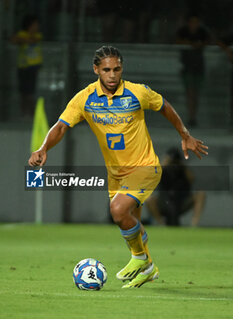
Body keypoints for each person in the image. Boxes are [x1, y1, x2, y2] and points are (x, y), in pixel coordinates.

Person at [28, 46, 208, 288]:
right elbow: (60, 126)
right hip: (116, 174)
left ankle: (139, 258)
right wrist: (43, 148)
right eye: (106, 70)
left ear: (122, 68)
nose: (112, 75)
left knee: (118, 210)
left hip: (145, 167)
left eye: (117, 69)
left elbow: (164, 105)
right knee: (127, 219)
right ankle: (149, 268)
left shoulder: (137, 92)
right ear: (96, 70)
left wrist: (185, 135)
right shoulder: (84, 99)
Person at [146, 147, 206, 226]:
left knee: (201, 194)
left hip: (181, 202)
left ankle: (194, 224)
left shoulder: (182, 169)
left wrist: (182, 165)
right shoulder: (163, 170)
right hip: (164, 202)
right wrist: (164, 164)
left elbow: (192, 179)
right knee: (149, 198)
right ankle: (161, 224)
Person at [176, 14, 210, 126]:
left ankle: (193, 116)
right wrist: (190, 44)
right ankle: (191, 116)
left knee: (194, 94)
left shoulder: (203, 32)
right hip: (187, 66)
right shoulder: (183, 31)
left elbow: (210, 41)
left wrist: (200, 45)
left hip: (198, 66)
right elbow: (176, 41)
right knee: (190, 93)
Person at [11, 15, 43, 119]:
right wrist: (25, 39)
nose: (36, 27)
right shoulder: (22, 34)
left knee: (30, 92)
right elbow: (14, 40)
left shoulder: (38, 35)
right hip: (24, 67)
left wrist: (26, 40)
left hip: (33, 68)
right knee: (24, 92)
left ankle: (32, 113)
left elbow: (34, 40)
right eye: (35, 25)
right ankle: (24, 113)